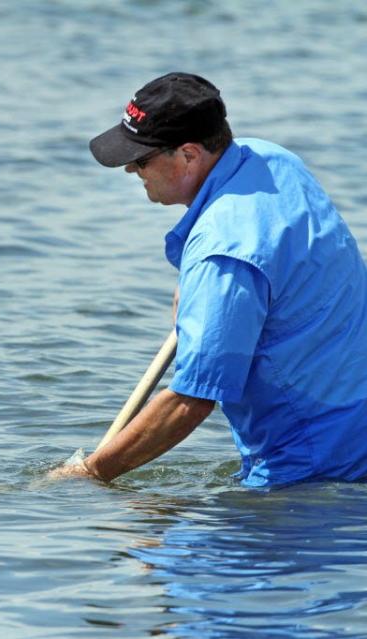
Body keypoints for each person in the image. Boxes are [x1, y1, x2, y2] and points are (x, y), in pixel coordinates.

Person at [55, 72, 367, 488]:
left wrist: (91, 473)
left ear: (188, 154)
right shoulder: (269, 161)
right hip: (351, 416)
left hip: (317, 468)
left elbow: (191, 401)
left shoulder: (222, 251)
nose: (130, 168)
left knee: (169, 552)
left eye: (142, 159)